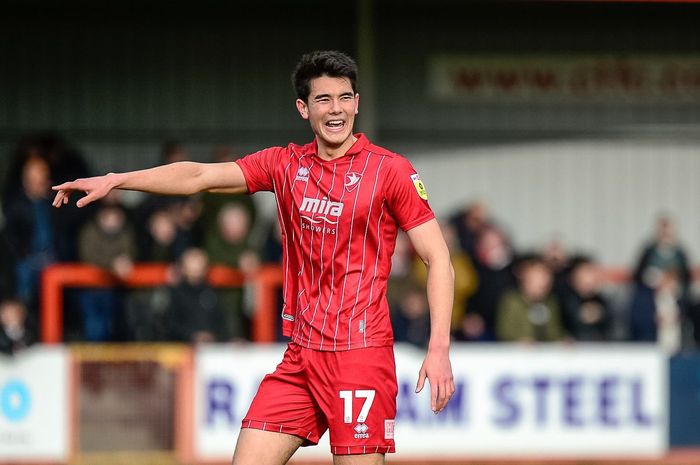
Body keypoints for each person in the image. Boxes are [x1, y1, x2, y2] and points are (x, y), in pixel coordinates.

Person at [52, 50, 455, 465]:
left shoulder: (389, 171)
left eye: (344, 98)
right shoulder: (285, 165)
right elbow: (199, 176)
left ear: (356, 103)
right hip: (301, 355)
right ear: (303, 108)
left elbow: (438, 258)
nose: (336, 110)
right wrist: (118, 180)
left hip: (359, 354)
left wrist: (438, 346)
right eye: (323, 99)